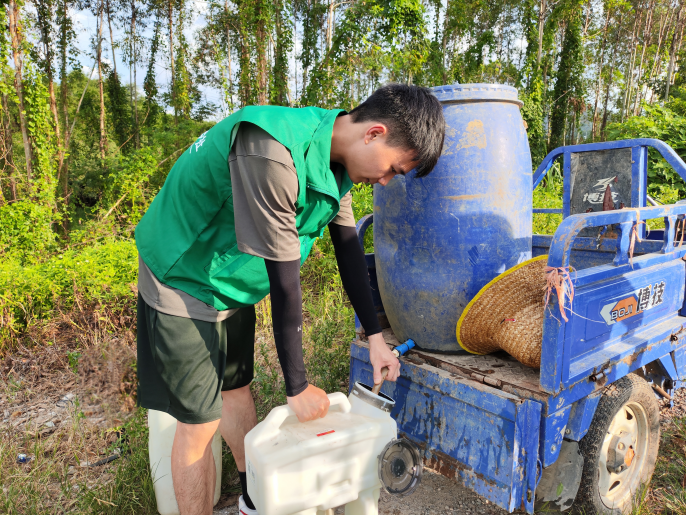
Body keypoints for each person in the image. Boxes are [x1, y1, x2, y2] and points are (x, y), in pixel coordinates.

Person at [135, 83, 445, 515]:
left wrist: (376, 338)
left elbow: (349, 251)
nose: (386, 179)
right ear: (374, 133)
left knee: (236, 390)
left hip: (231, 281)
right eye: (393, 167)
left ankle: (253, 499)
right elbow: (285, 284)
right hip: (184, 273)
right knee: (199, 422)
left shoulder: (337, 163)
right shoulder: (272, 153)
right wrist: (296, 386)